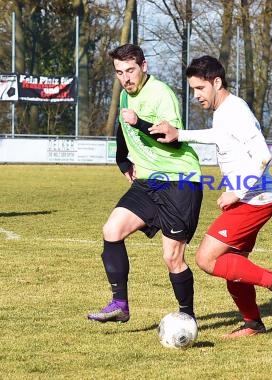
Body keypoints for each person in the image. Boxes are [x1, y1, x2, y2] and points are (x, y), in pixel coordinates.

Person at [149, 55, 272, 338]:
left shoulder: (235, 111)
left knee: (207, 259)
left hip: (253, 200)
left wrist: (237, 192)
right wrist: (179, 134)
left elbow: (265, 155)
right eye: (192, 89)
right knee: (233, 267)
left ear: (217, 82)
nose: (196, 96)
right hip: (249, 199)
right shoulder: (224, 111)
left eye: (200, 89)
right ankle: (253, 323)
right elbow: (218, 136)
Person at [87, 44, 203, 323]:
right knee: (112, 230)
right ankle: (119, 305)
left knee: (172, 257)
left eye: (130, 70)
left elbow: (174, 142)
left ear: (144, 67)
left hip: (179, 182)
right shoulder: (127, 96)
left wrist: (139, 123)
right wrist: (122, 160)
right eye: (119, 73)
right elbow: (122, 127)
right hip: (147, 182)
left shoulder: (161, 94)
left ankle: (187, 316)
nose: (126, 78)